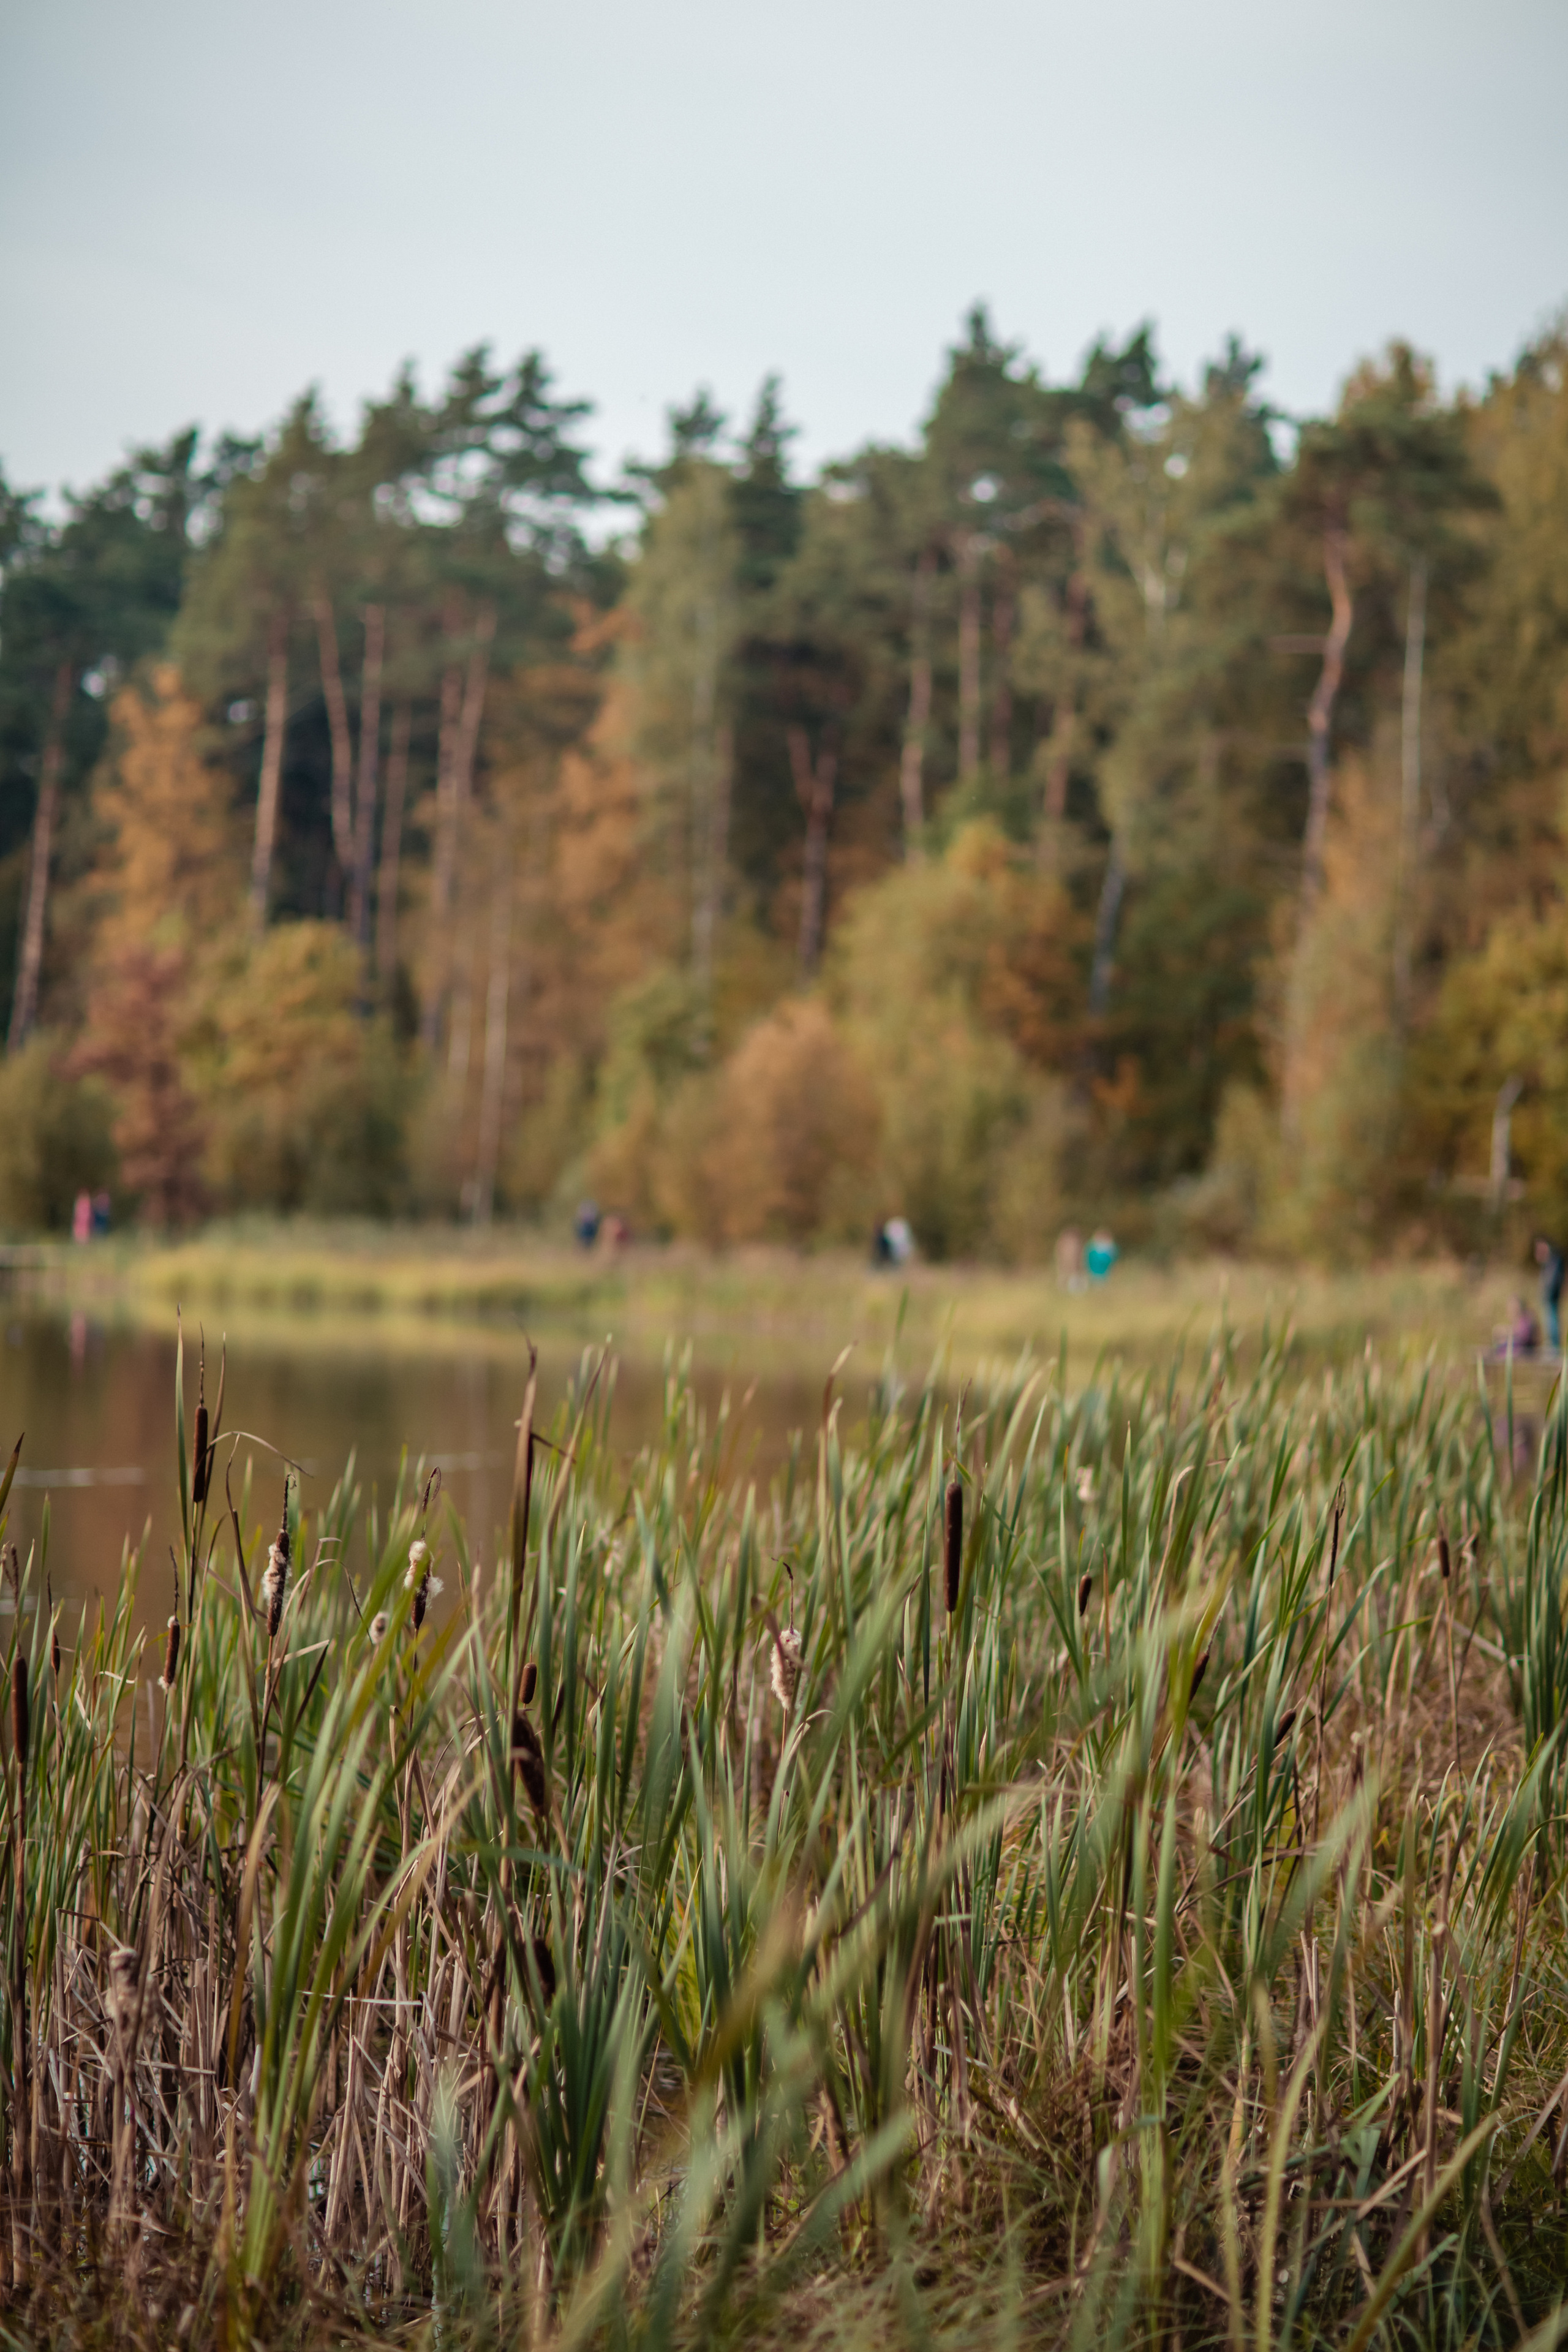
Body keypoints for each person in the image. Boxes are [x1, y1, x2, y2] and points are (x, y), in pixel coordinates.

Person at [1535, 1234, 1564, 1352]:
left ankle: (1554, 1347)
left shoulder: (1554, 1261)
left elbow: (1552, 1282)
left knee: (1552, 1321)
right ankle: (1552, 1346)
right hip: (1550, 1297)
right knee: (1549, 1321)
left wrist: (1546, 1293)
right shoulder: (1551, 1262)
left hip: (1551, 1297)